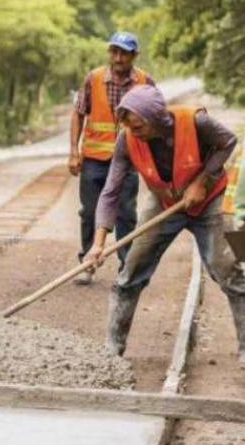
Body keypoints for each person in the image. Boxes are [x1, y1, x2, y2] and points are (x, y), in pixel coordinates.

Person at [85, 86, 245, 366]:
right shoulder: (127, 140)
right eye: (128, 126)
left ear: (157, 118)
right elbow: (111, 191)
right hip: (164, 203)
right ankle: (112, 350)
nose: (134, 132)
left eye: (138, 126)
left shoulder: (196, 122)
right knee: (130, 272)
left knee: (229, 271)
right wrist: (98, 244)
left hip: (209, 203)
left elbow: (229, 142)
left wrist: (202, 180)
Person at [69, 32, 151, 283]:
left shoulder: (144, 81)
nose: (118, 57)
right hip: (95, 158)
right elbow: (79, 113)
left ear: (133, 56)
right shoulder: (93, 79)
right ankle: (87, 262)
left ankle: (126, 267)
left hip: (130, 159)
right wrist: (74, 151)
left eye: (124, 53)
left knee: (126, 213)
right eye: (114, 52)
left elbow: (156, 118)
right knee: (90, 212)